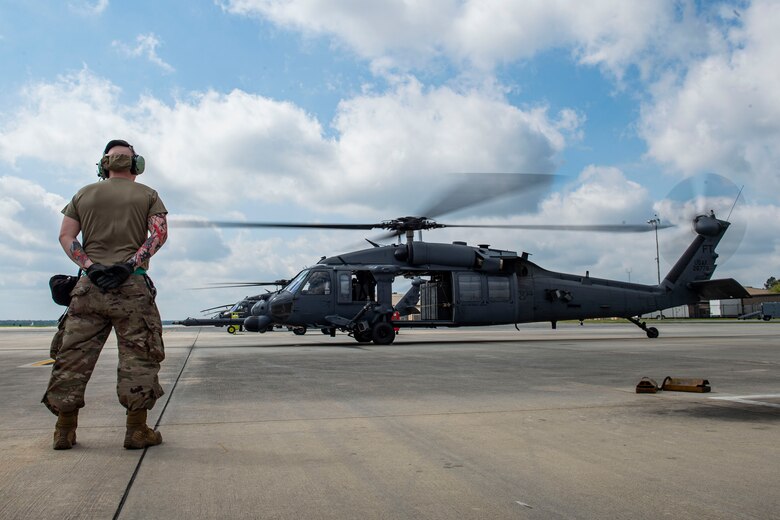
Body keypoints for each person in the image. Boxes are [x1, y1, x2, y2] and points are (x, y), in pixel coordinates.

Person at [43, 139, 168, 450]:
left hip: (89, 287)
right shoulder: (148, 194)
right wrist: (128, 266)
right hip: (132, 287)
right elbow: (160, 234)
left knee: (72, 357)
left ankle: (64, 430)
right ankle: (136, 430)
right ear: (136, 165)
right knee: (139, 357)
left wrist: (91, 266)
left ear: (104, 165)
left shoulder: (84, 194)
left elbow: (66, 236)